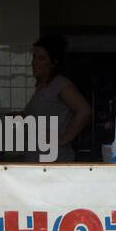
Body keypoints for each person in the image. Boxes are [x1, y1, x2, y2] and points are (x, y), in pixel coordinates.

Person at [23, 34, 90, 163]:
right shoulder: (42, 87)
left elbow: (84, 111)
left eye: (41, 58)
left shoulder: (61, 85)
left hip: (54, 161)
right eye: (34, 57)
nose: (34, 62)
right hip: (39, 161)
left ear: (54, 63)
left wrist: (63, 139)